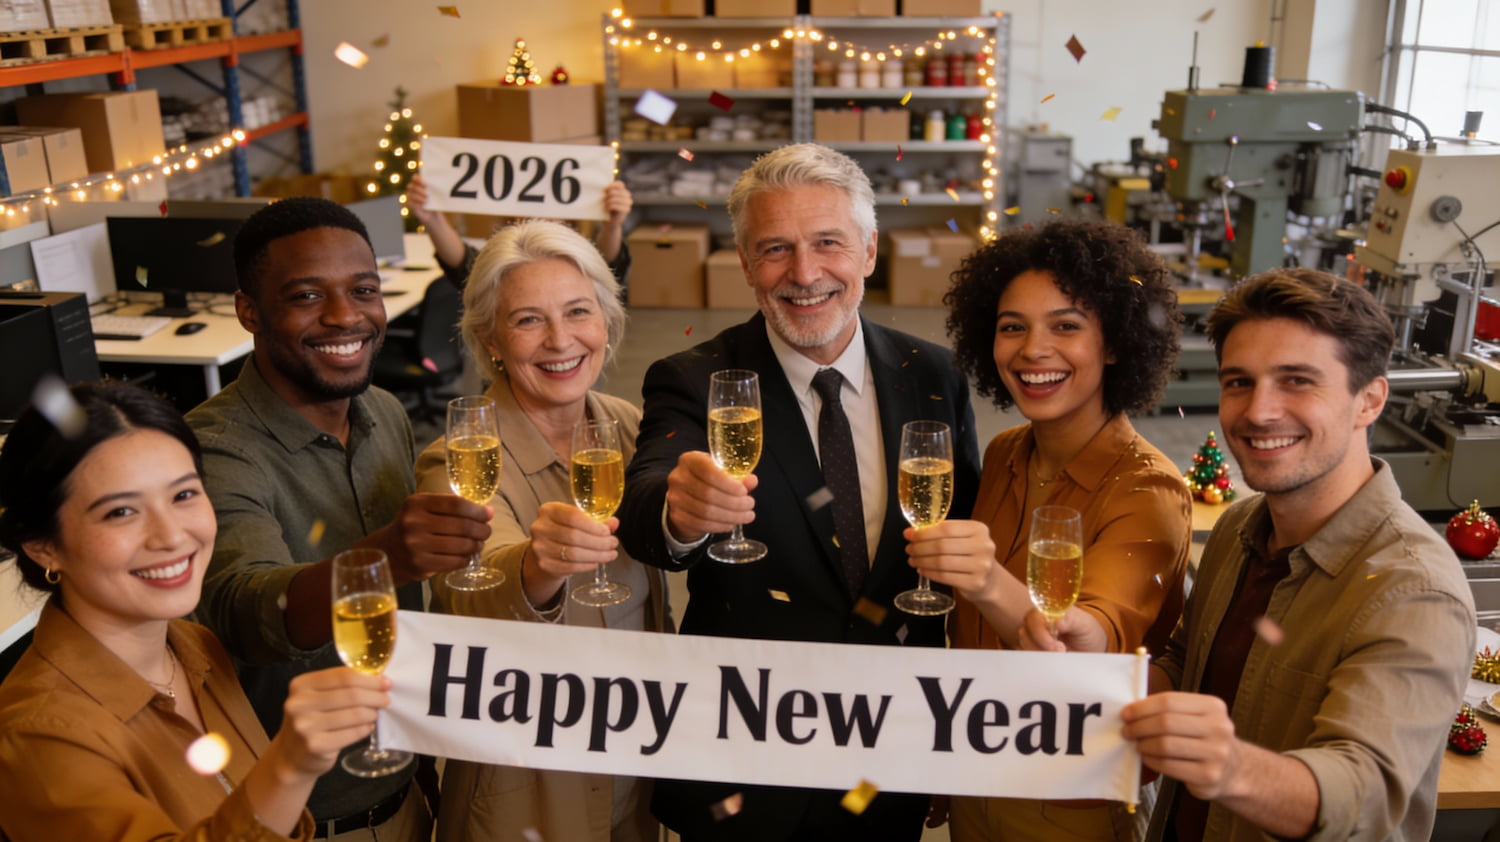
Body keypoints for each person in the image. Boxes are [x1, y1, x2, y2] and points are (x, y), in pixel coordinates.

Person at [1028, 269, 1476, 841]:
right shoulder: (1243, 526)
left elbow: (1363, 793)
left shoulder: (1411, 590)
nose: (1259, 411)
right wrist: (1104, 668)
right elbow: (1186, 669)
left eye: (1296, 381)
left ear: (1369, 401)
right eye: (1239, 382)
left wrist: (1229, 765)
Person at [616, 142, 982, 841]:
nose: (805, 274)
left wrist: (949, 736)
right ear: (748, 264)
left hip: (888, 740)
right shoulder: (694, 378)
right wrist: (678, 513)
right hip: (745, 755)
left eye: (828, 244)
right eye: (775, 249)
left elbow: (955, 551)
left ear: (869, 252)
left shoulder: (933, 373)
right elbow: (644, 508)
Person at [187, 197, 492, 840]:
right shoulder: (210, 450)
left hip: (408, 780)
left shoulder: (384, 411)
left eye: (363, 290)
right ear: (250, 311)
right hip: (304, 816)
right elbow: (246, 610)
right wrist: (383, 560)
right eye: (306, 296)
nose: (345, 316)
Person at [0, 381, 391, 841]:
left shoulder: (194, 645)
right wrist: (288, 766)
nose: (170, 536)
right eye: (121, 512)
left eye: (184, 495)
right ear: (45, 548)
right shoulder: (37, 734)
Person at [908, 219, 1191, 841]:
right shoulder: (1008, 451)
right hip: (979, 772)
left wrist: (988, 582)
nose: (1033, 349)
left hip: (1069, 799)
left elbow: (1092, 656)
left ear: (1114, 343)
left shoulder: (1148, 490)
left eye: (1066, 325)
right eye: (1013, 327)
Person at [411, 219, 670, 841]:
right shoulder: (456, 460)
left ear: (606, 321)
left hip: (637, 765)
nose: (560, 340)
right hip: (528, 785)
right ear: (489, 340)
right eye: (528, 320)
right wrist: (536, 568)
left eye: (579, 311)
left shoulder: (632, 426)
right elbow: (466, 596)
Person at [406, 173, 634, 291]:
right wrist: (433, 220)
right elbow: (462, 266)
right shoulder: (502, 266)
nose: (540, 218)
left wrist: (612, 225)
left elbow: (607, 270)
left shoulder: (577, 263)